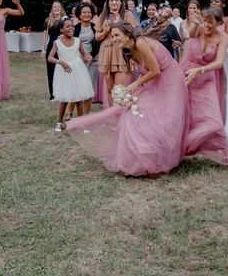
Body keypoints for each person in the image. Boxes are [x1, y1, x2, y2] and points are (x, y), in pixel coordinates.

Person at [67, 21, 189, 176]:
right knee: (134, 112)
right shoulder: (127, 49)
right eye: (112, 36)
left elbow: (155, 70)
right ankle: (141, 158)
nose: (114, 39)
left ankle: (158, 157)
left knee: (164, 118)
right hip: (154, 81)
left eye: (117, 35)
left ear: (128, 33)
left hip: (171, 79)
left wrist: (133, 86)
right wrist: (130, 91)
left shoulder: (140, 42)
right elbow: (146, 73)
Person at [181, 7, 228, 168]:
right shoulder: (200, 27)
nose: (206, 25)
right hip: (185, 76)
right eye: (205, 21)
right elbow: (190, 35)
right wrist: (196, 21)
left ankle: (226, 154)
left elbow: (219, 62)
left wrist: (200, 70)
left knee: (214, 120)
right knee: (184, 116)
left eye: (210, 23)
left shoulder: (223, 37)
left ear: (219, 23)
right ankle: (176, 149)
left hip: (205, 79)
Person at [47, 19, 95, 131]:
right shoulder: (57, 43)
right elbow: (50, 58)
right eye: (67, 27)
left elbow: (84, 55)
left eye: (72, 26)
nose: (71, 28)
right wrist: (61, 62)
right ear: (61, 29)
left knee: (79, 99)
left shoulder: (78, 41)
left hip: (78, 70)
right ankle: (59, 122)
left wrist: (87, 57)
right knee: (65, 99)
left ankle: (81, 123)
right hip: (65, 72)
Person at [95, 0, 139, 104]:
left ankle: (120, 116)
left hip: (122, 52)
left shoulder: (128, 15)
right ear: (108, 3)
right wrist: (105, 31)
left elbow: (135, 34)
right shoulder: (103, 16)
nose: (114, 2)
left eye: (116, 0)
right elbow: (97, 37)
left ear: (121, 2)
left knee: (119, 89)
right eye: (111, 0)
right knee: (109, 89)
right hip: (107, 52)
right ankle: (111, 117)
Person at [72, 2, 99, 115]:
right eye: (84, 12)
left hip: (93, 60)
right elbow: (71, 43)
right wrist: (82, 56)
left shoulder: (96, 27)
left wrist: (91, 55)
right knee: (77, 88)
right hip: (78, 60)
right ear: (79, 14)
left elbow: (98, 44)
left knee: (90, 89)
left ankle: (86, 114)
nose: (86, 14)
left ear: (92, 14)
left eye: (89, 12)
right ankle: (70, 113)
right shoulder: (74, 28)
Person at [42, 1, 67, 101]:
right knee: (51, 71)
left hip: (62, 47)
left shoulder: (65, 20)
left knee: (62, 70)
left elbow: (70, 31)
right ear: (52, 9)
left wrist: (64, 35)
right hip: (51, 47)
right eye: (54, 7)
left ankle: (63, 93)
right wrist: (43, 49)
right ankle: (53, 95)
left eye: (58, 7)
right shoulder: (48, 20)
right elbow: (45, 35)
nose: (56, 8)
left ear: (61, 8)